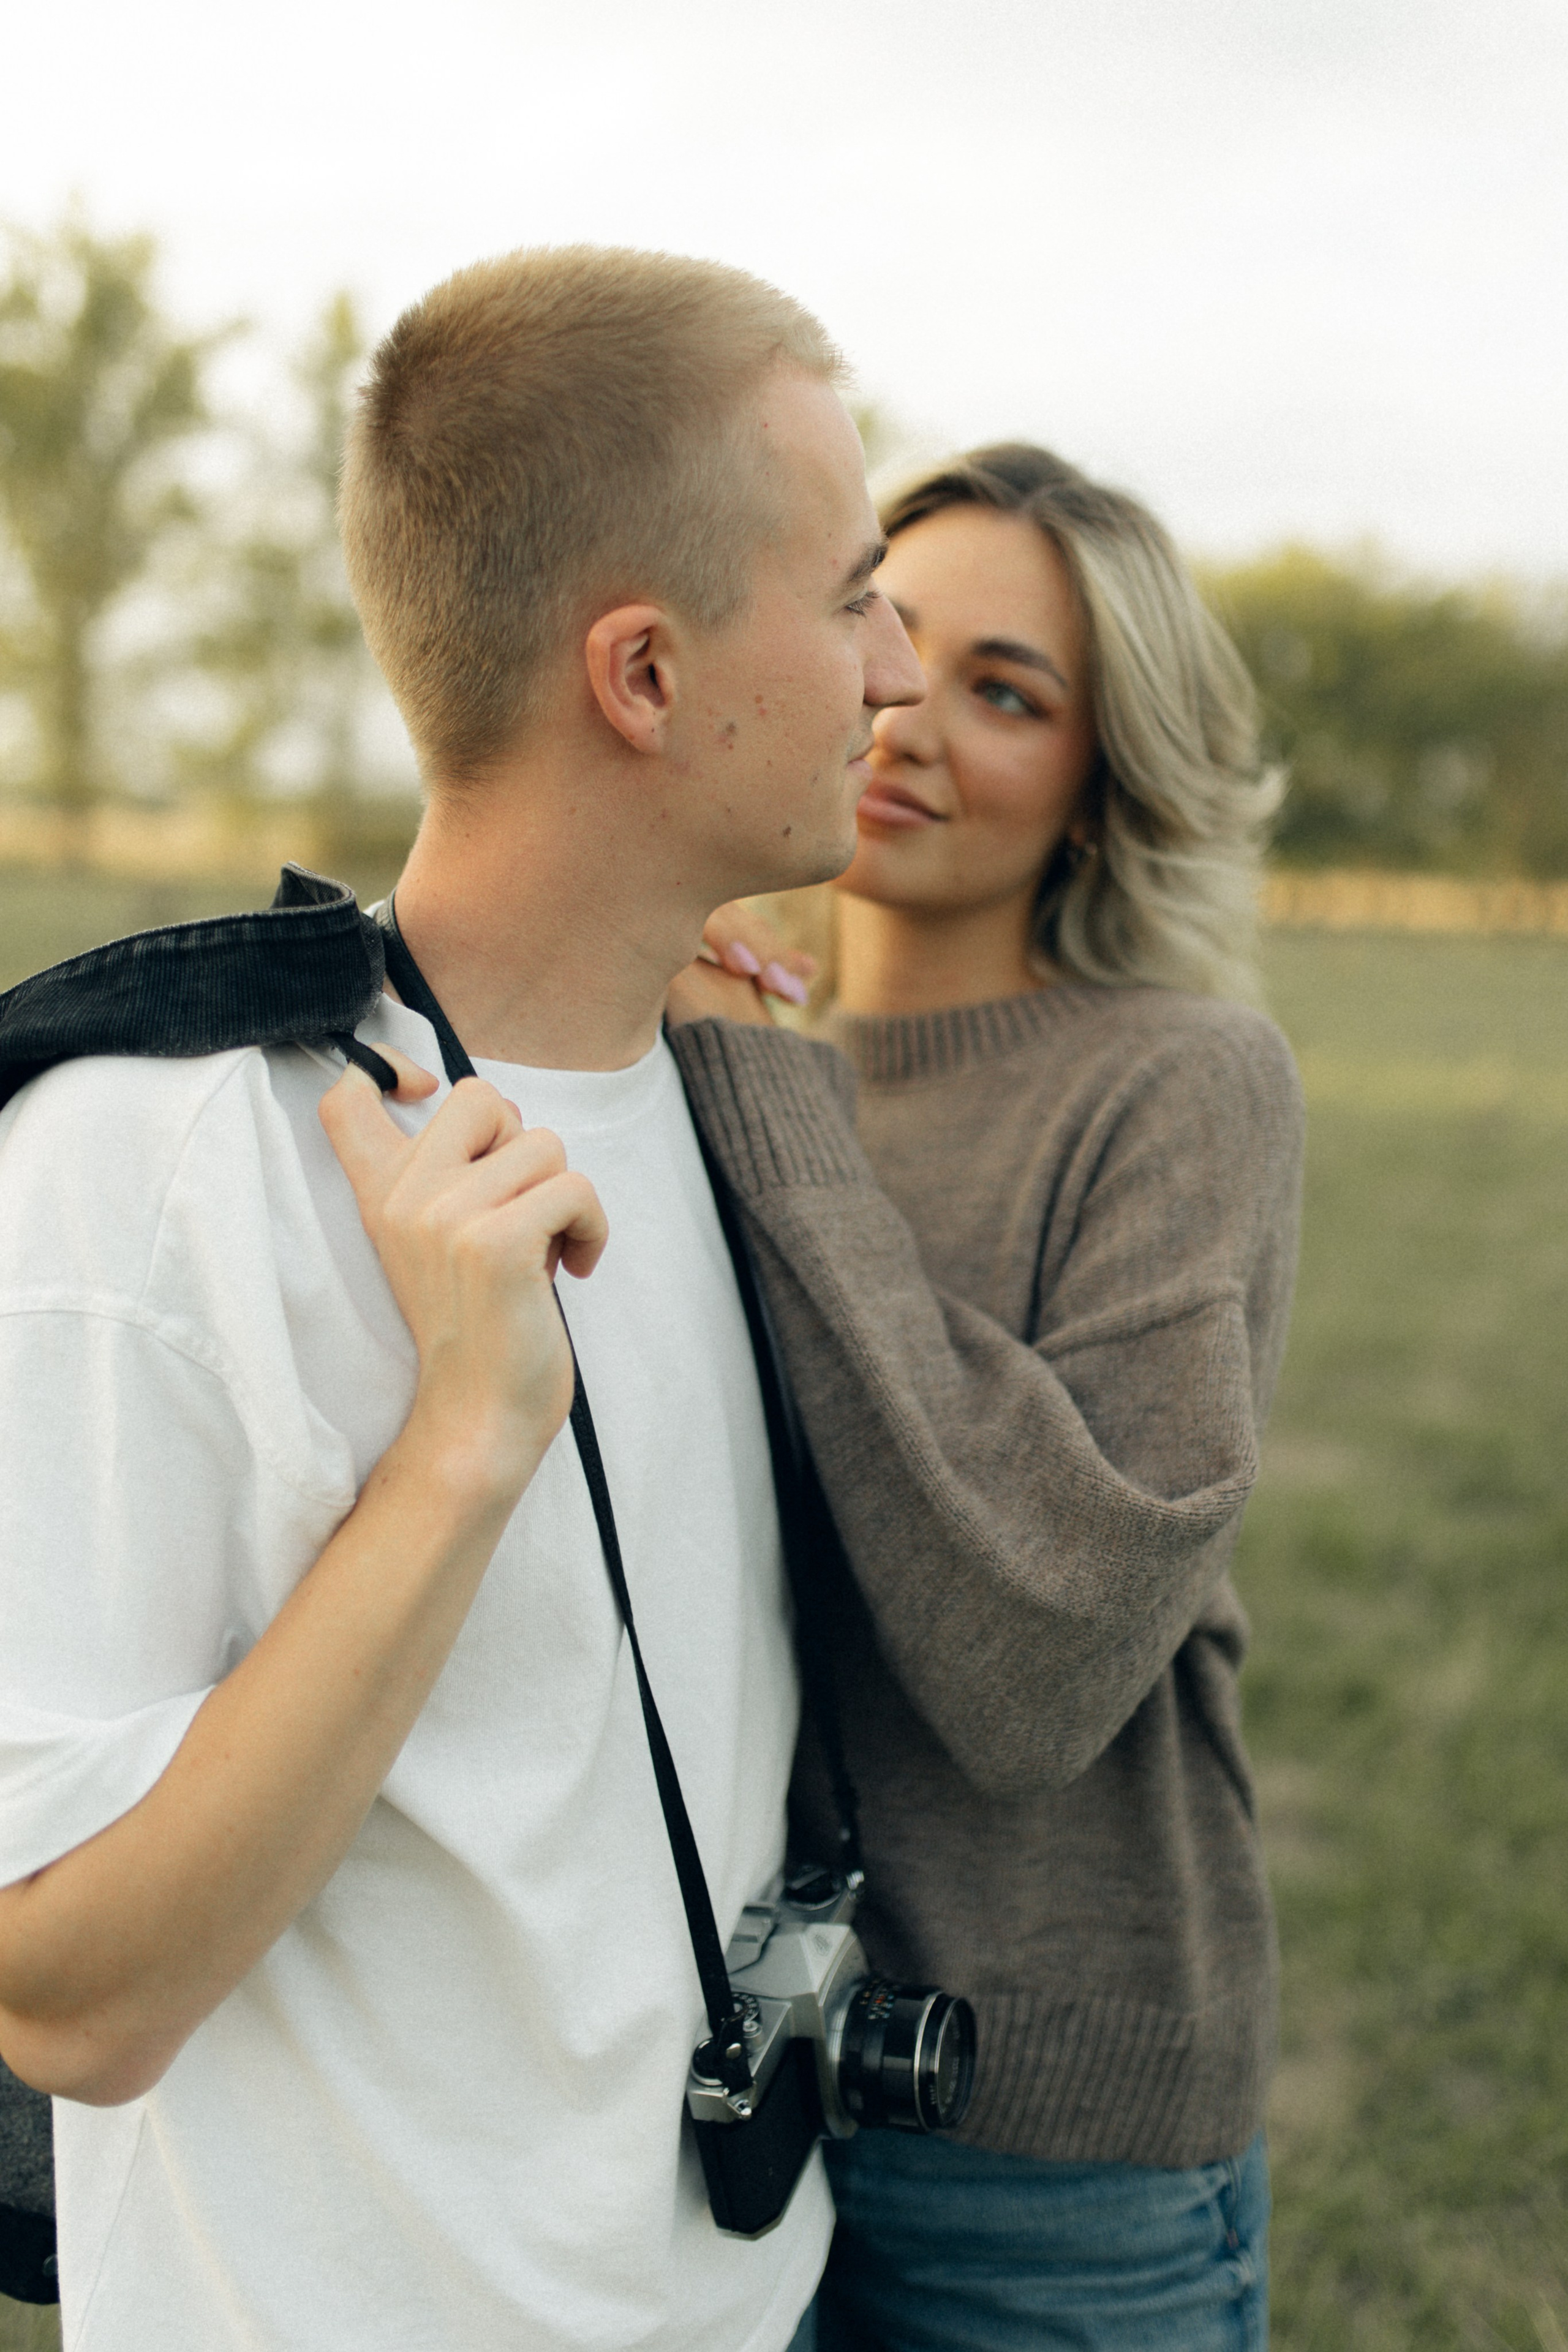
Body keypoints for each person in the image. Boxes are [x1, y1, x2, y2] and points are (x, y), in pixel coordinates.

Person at [0, 246, 921, 2350]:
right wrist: (460, 1453)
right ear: (647, 675)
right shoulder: (148, 1169)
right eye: (855, 587)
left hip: (749, 2305)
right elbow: (64, 1991)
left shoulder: (713, 1093)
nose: (895, 664)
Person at [668, 442, 1304, 2350]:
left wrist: (774, 1117)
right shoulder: (722, 1053)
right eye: (886, 624)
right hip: (726, 2112)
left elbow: (1043, 1655)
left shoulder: (1184, 1084)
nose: (909, 714)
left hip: (1045, 2143)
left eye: (1009, 692)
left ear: (1105, 791)